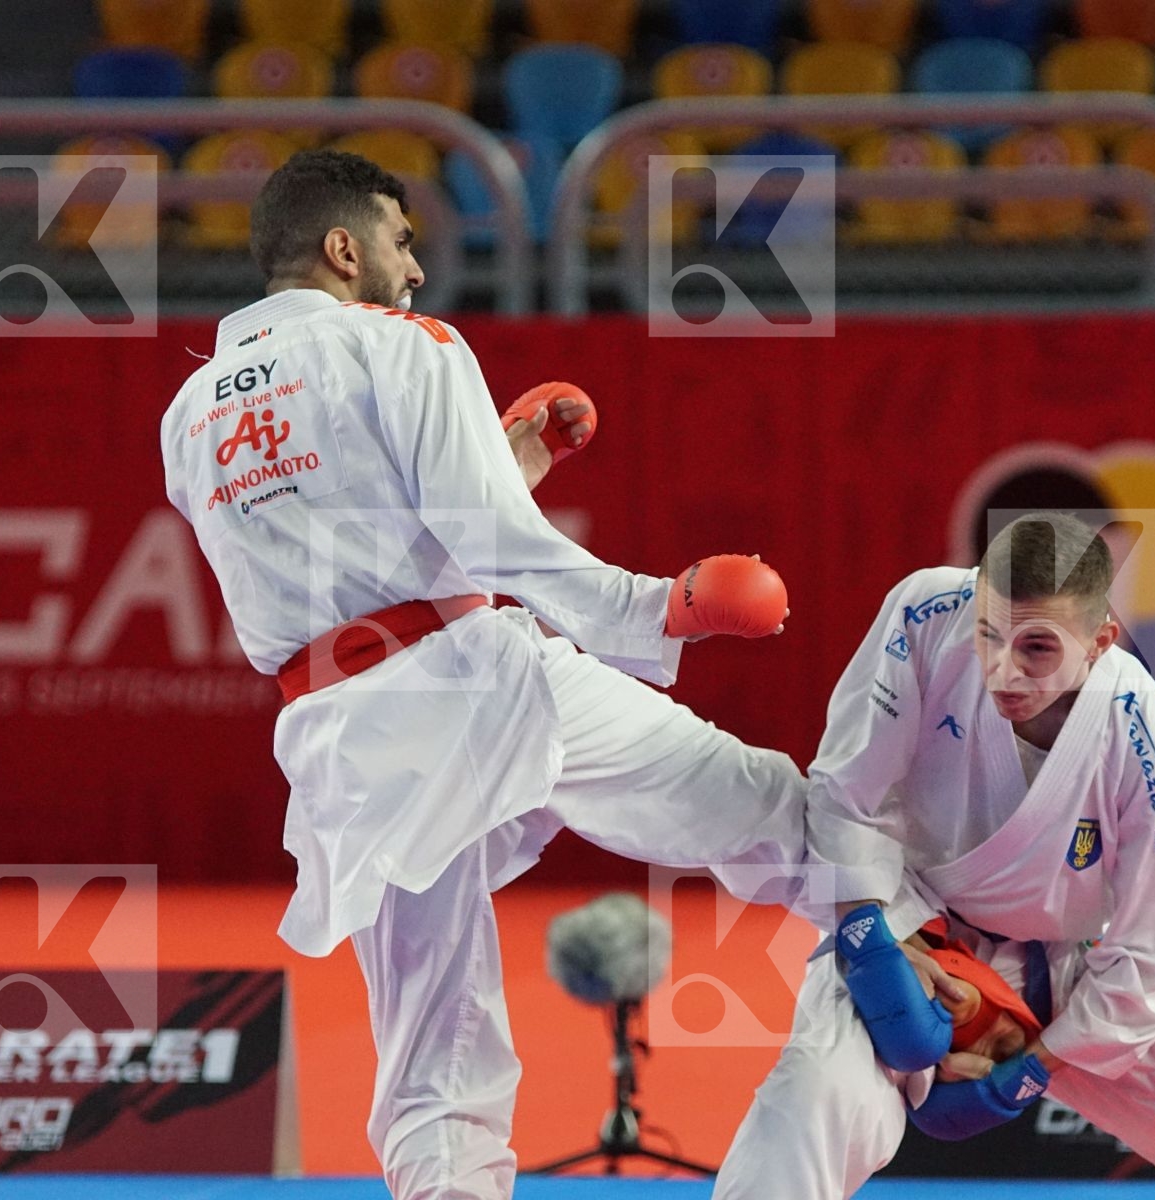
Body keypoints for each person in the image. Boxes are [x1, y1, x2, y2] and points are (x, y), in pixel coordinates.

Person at [159, 149, 807, 1200]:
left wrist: (506, 461)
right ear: (344, 249)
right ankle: (941, 969)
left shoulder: (189, 414)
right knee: (767, 810)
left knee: (434, 1050)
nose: (414, 270)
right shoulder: (403, 343)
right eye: (401, 242)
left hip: (346, 738)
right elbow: (481, 535)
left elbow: (348, 540)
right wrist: (658, 606)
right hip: (473, 681)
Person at [713, 513, 1155, 1199]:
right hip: (909, 928)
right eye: (988, 634)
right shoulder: (925, 612)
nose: (1004, 669)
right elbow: (845, 792)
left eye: (1037, 647)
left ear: (1100, 641)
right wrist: (873, 948)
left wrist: (1028, 1071)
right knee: (807, 1106)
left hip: (1067, 970)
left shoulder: (1147, 742)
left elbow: (1150, 951)